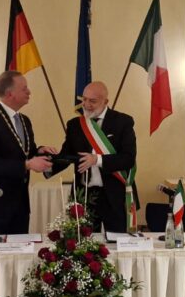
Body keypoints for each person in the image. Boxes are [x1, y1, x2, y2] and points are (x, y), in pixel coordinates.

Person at [0, 71, 56, 235]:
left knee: (20, 248)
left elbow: (25, 152)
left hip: (20, 204)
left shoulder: (25, 120)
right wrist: (27, 165)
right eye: (24, 89)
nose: (29, 92)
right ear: (10, 94)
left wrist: (39, 151)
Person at [50, 81, 138, 232]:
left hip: (114, 194)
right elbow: (66, 156)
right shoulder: (75, 125)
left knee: (117, 240)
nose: (86, 104)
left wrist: (97, 160)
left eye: (93, 101)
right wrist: (46, 162)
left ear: (105, 101)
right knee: (83, 242)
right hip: (84, 194)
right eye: (84, 99)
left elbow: (128, 158)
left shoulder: (123, 122)